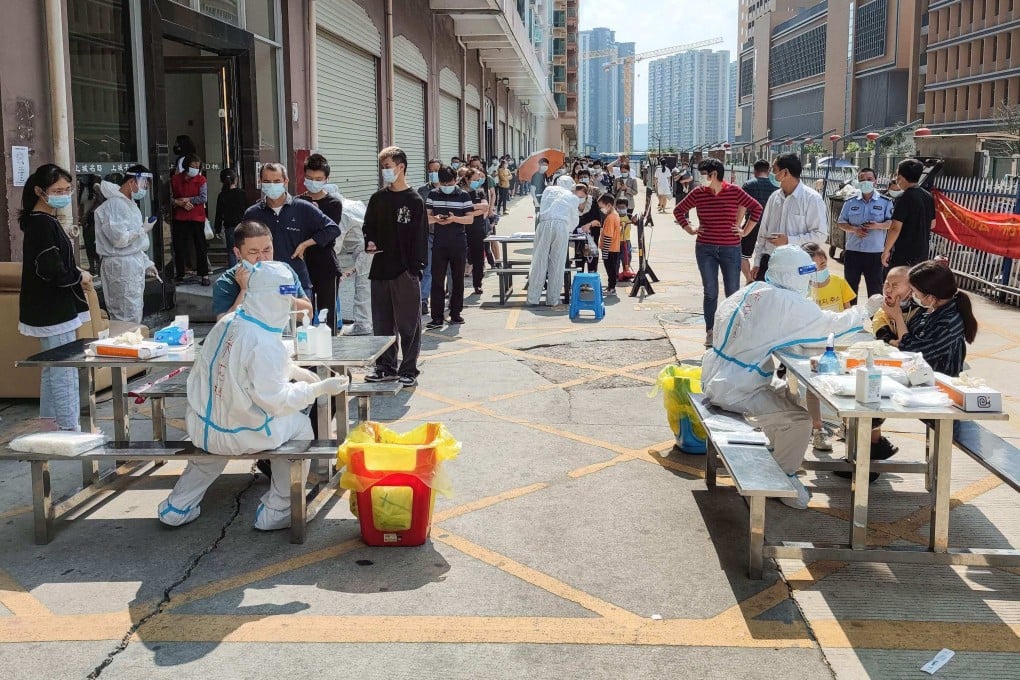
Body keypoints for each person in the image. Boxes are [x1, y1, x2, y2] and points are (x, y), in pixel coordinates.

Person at [158, 260, 348, 531]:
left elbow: (241, 367)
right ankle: (279, 510)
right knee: (301, 426)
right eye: (285, 297)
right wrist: (317, 389)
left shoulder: (229, 322)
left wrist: (292, 369)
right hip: (242, 433)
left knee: (211, 451)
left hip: (202, 428)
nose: (289, 304)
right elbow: (277, 401)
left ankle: (177, 507)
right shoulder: (264, 341)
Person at [701, 245, 884, 509]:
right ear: (794, 275)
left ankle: (777, 459)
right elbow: (827, 326)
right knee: (800, 421)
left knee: (789, 395)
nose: (811, 280)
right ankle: (779, 481)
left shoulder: (754, 289)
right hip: (737, 387)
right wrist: (864, 311)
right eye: (806, 274)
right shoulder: (786, 302)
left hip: (718, 375)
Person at [18, 164, 92, 431]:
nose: (64, 194)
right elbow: (50, 268)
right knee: (64, 369)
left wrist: (74, 271)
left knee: (53, 367)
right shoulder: (41, 224)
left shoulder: (42, 221)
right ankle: (69, 428)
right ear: (40, 191)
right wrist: (77, 276)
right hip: (54, 308)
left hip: (48, 307)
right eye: (58, 190)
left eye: (68, 190)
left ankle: (50, 424)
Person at [674, 158, 764, 348]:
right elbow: (678, 210)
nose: (700, 177)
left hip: (730, 248)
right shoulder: (698, 193)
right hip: (705, 248)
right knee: (710, 292)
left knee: (732, 291)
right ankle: (710, 331)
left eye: (703, 173)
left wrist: (745, 231)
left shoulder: (734, 191)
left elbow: (756, 208)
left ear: (713, 174)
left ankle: (732, 329)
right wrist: (689, 228)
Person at [363, 146, 428, 387]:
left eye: (388, 167)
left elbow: (420, 238)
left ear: (401, 167)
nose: (384, 172)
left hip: (405, 271)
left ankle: (409, 369)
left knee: (409, 323)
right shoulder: (377, 199)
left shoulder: (414, 201)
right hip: (380, 269)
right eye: (382, 167)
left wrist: (416, 269)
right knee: (382, 323)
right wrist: (369, 240)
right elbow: (368, 226)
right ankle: (385, 367)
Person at [243, 162, 341, 296]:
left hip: (294, 283)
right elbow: (243, 245)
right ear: (260, 182)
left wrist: (305, 244)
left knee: (297, 315)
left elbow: (332, 229)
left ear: (285, 181)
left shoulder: (302, 208)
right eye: (267, 181)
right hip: (262, 283)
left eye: (277, 181)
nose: (272, 185)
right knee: (267, 316)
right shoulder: (253, 213)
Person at [802, 241, 857, 451]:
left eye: (824, 265)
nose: (821, 270)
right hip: (813, 345)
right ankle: (817, 429)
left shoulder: (839, 283)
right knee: (813, 386)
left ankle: (845, 426)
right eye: (815, 267)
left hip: (839, 344)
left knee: (843, 386)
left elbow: (847, 313)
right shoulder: (803, 289)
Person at [212, 220, 313, 320]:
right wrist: (244, 291)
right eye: (253, 252)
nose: (262, 258)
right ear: (238, 253)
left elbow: (308, 314)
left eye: (267, 250)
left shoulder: (284, 272)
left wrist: (281, 296)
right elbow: (224, 327)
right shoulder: (226, 282)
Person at [751, 154, 828, 282]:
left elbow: (820, 235)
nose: (771, 174)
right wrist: (757, 261)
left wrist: (789, 240)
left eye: (774, 170)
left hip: (798, 265)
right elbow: (763, 232)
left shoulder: (812, 199)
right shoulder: (774, 197)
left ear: (785, 172)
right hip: (770, 262)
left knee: (793, 301)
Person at [94, 166, 157, 324]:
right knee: (123, 315)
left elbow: (133, 246)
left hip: (130, 264)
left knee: (133, 310)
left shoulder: (129, 204)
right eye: (143, 185)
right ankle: (125, 346)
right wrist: (142, 230)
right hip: (120, 266)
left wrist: (146, 263)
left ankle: (132, 343)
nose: (144, 190)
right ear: (131, 182)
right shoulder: (115, 205)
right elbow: (120, 239)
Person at [295, 153, 343, 333]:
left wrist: (315, 214)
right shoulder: (297, 202)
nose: (313, 182)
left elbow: (329, 233)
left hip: (325, 265)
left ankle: (329, 351)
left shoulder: (333, 203)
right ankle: (306, 356)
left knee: (326, 315)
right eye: (309, 178)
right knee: (303, 316)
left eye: (318, 179)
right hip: (301, 265)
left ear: (326, 179)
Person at [425, 166, 474, 329]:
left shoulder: (463, 195)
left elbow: (470, 220)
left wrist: (455, 219)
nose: (446, 186)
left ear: (456, 180)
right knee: (437, 280)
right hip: (439, 241)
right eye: (443, 183)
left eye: (449, 182)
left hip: (458, 241)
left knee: (458, 279)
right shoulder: (433, 194)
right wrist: (436, 218)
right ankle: (437, 317)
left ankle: (455, 313)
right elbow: (425, 218)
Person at [837, 168, 894, 298]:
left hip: (874, 253)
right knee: (849, 290)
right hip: (853, 251)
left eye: (869, 179)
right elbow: (841, 223)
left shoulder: (885, 202)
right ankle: (851, 316)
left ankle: (875, 318)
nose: (866, 182)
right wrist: (854, 229)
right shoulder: (850, 202)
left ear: (875, 181)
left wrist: (877, 225)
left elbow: (892, 224)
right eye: (862, 180)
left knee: (875, 291)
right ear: (858, 182)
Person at [527, 175, 581, 307]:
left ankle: (533, 298)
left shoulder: (548, 190)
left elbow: (543, 206)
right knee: (557, 262)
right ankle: (553, 299)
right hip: (561, 226)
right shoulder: (572, 197)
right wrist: (569, 230)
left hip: (544, 224)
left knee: (539, 261)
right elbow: (574, 218)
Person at [882, 158, 936, 269]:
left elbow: (895, 228)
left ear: (900, 177)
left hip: (904, 253)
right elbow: (933, 224)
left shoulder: (903, 198)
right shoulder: (928, 196)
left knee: (897, 283)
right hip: (922, 253)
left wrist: (886, 250)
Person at [170, 154, 211, 285]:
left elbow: (203, 197)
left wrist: (188, 200)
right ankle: (180, 273)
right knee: (179, 246)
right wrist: (179, 203)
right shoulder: (175, 179)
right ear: (186, 166)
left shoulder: (201, 180)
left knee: (200, 246)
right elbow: (169, 198)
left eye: (197, 167)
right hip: (180, 217)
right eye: (193, 166)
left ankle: (204, 274)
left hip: (197, 217)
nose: (195, 169)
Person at [740, 160, 779, 284]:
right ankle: (764, 279)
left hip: (751, 224)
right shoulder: (776, 186)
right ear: (768, 170)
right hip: (770, 226)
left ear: (754, 171)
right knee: (767, 254)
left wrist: (739, 228)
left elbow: (741, 208)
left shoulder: (748, 185)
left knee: (743, 254)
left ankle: (749, 279)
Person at [418, 159, 443, 316]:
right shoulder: (422, 191)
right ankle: (424, 300)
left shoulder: (451, 190)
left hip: (445, 235)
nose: (433, 174)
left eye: (436, 170)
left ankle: (442, 298)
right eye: (430, 170)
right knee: (427, 270)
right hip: (428, 234)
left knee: (443, 270)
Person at [213, 168, 247, 267]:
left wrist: (217, 229)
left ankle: (233, 275)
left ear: (221, 181)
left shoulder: (222, 195)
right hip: (243, 226)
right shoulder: (242, 193)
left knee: (232, 252)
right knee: (245, 250)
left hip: (230, 228)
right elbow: (248, 210)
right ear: (236, 179)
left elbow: (219, 213)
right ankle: (245, 273)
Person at [465, 168, 491, 295]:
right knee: (461, 258)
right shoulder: (461, 193)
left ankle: (477, 284)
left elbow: (485, 207)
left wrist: (468, 209)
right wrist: (477, 208)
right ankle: (451, 288)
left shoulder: (480, 192)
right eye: (474, 180)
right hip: (463, 228)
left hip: (477, 229)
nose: (477, 182)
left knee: (478, 259)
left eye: (478, 180)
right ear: (467, 179)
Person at [574, 183, 602, 274]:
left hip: (592, 235)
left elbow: (598, 221)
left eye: (581, 196)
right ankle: (580, 278)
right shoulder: (572, 204)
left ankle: (591, 278)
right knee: (579, 258)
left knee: (591, 259)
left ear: (586, 195)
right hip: (578, 236)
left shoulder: (592, 202)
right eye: (577, 196)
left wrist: (589, 225)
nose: (579, 199)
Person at [598, 194, 622, 296]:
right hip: (614, 248)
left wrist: (605, 252)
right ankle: (610, 287)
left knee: (610, 270)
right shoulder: (615, 215)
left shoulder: (610, 218)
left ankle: (611, 288)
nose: (601, 209)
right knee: (612, 269)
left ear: (608, 205)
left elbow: (608, 236)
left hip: (609, 248)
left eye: (602, 207)